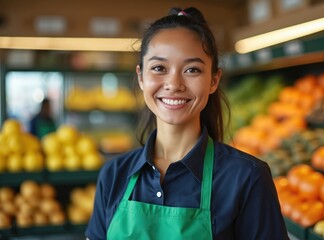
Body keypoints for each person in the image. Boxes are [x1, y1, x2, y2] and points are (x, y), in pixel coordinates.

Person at [86, 7, 289, 240]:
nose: (174, 84)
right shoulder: (114, 174)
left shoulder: (247, 177)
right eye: (159, 68)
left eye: (192, 69)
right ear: (141, 77)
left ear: (213, 80)